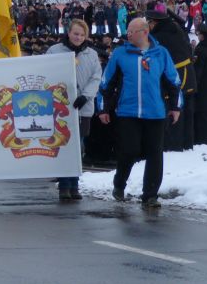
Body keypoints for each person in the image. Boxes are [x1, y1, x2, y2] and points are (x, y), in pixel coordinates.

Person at [98, 18, 181, 208]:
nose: (128, 35)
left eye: (131, 31)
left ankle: (150, 195)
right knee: (129, 150)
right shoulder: (120, 54)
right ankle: (119, 184)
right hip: (128, 112)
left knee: (155, 153)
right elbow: (106, 84)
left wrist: (176, 107)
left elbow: (173, 82)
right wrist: (103, 108)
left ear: (144, 32)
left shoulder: (161, 53)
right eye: (127, 32)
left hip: (156, 113)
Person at [46, 20, 102, 200]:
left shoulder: (92, 54)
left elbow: (96, 77)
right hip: (61, 106)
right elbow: (46, 72)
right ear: (69, 33)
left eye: (82, 34)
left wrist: (86, 95)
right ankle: (64, 185)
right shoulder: (55, 51)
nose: (78, 37)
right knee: (64, 146)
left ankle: (75, 184)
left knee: (79, 147)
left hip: (83, 106)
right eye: (75, 33)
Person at [145, 10, 196, 151]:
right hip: (187, 74)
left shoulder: (159, 36)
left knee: (173, 109)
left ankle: (173, 147)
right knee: (186, 112)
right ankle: (187, 144)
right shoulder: (176, 29)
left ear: (153, 22)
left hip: (175, 75)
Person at [194, 24, 207, 145]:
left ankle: (204, 143)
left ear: (202, 36)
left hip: (204, 90)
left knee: (203, 119)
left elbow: (197, 73)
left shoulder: (201, 50)